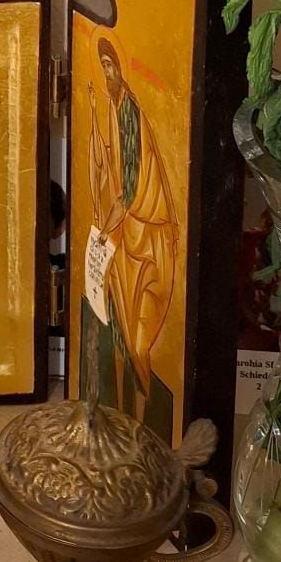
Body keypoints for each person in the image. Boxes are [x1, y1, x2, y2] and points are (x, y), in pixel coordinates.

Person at [85, 37, 178, 437]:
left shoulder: (130, 115)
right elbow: (104, 166)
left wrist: (105, 229)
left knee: (141, 341)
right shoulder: (112, 106)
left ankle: (150, 433)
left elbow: (128, 187)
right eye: (102, 66)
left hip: (149, 241)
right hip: (126, 241)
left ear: (120, 68)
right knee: (121, 334)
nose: (107, 73)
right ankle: (124, 425)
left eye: (110, 65)